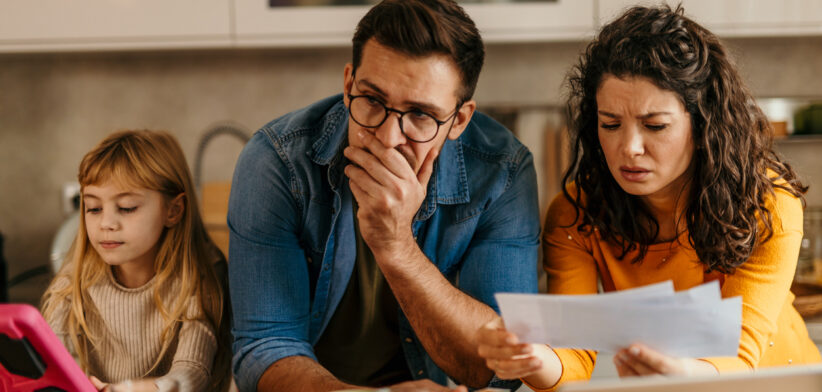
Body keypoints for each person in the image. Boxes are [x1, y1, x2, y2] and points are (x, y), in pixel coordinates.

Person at [476, 4, 822, 392]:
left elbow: (739, 360)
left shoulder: (767, 204)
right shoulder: (577, 215)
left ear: (704, 122)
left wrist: (674, 374)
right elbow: (572, 358)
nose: (629, 148)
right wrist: (533, 357)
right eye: (610, 124)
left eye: (654, 125)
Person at [227, 0, 540, 391]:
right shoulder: (276, 162)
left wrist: (397, 248)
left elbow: (499, 371)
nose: (389, 138)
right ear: (347, 85)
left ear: (459, 120)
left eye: (421, 115)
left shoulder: (502, 173)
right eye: (373, 101)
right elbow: (263, 348)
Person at [41, 130, 232, 392]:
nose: (106, 223)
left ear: (173, 210)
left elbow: (192, 372)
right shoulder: (73, 280)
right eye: (94, 208)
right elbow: (53, 366)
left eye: (127, 207)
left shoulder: (198, 278)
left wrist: (136, 389)